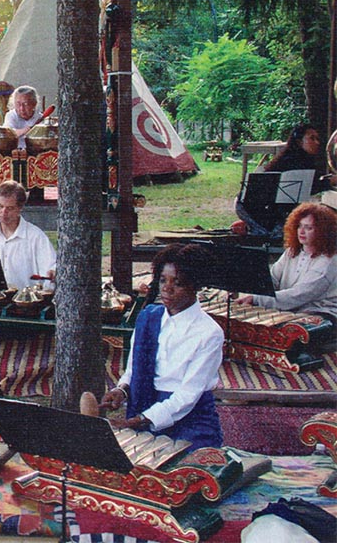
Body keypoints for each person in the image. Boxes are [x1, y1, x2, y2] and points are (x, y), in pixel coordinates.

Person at [101, 243, 224, 451]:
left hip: (191, 420)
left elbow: (188, 395)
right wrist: (121, 390)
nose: (167, 288)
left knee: (186, 476)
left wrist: (139, 421)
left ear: (195, 285)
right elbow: (134, 370)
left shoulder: (209, 333)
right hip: (145, 408)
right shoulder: (148, 317)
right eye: (163, 280)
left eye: (178, 282)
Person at [235, 202, 337, 322]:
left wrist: (257, 299)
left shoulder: (328, 261)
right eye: (299, 226)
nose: (301, 232)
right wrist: (244, 289)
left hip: (319, 313)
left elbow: (300, 294)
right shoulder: (292, 251)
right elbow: (271, 279)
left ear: (323, 232)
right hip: (290, 309)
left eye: (309, 228)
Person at [235, 124, 337, 237]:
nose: (317, 142)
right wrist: (329, 182)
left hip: (266, 208)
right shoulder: (291, 161)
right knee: (281, 235)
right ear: (299, 142)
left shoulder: (304, 159)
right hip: (250, 206)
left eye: (317, 139)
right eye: (312, 138)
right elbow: (308, 187)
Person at [0, 181, 56, 290]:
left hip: (26, 302)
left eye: (10, 208)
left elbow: (50, 268)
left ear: (20, 208)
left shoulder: (36, 236)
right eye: (0, 206)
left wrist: (52, 273)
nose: (3, 212)